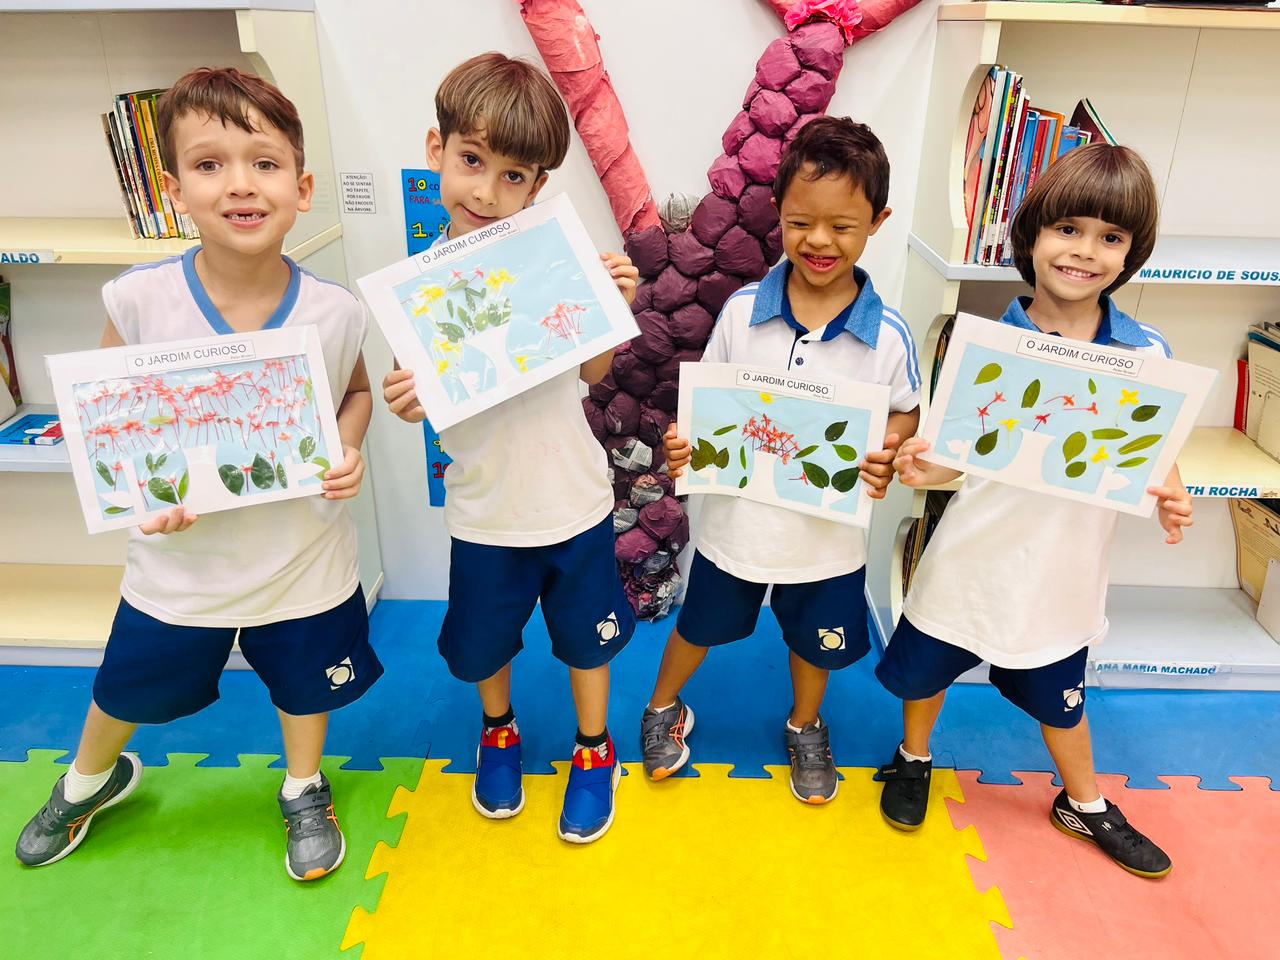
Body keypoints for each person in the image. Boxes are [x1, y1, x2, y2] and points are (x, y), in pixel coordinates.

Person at [16, 67, 381, 881]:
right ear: (176, 187)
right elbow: (110, 418)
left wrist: (348, 448)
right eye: (210, 165)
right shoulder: (141, 298)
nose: (241, 185)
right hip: (180, 566)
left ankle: (303, 785)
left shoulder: (335, 312)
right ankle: (88, 779)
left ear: (302, 184)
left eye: (264, 162)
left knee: (302, 687)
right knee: (126, 686)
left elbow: (354, 395)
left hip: (302, 558)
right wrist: (141, 494)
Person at [877, 143, 1189, 879]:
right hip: (972, 557)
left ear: (1131, 252)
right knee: (928, 673)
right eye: (1069, 229)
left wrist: (1171, 491)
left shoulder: (1146, 350)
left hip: (1063, 570)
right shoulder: (987, 346)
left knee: (1063, 699)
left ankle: (1081, 801)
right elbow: (953, 453)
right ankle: (913, 758)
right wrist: (923, 463)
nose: (1086, 252)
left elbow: (1155, 447)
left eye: (1110, 238)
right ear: (1033, 235)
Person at [381, 53, 639, 844]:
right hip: (485, 512)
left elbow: (593, 375)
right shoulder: (415, 290)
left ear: (539, 186)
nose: (488, 193)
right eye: (471, 162)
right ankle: (499, 730)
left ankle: (595, 751)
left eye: (517, 177)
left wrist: (609, 305)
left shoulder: (553, 266)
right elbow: (422, 401)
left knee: (585, 640)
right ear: (436, 150)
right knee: (485, 643)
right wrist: (406, 399)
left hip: (572, 500)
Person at [643, 117, 921, 804]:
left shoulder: (888, 335)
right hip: (736, 529)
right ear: (777, 214)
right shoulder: (742, 312)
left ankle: (805, 724)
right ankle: (662, 707)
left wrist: (889, 447)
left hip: (826, 540)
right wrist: (684, 441)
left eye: (843, 226)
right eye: (801, 222)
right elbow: (705, 403)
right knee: (697, 624)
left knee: (813, 641)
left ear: (877, 223)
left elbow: (906, 410)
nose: (820, 241)